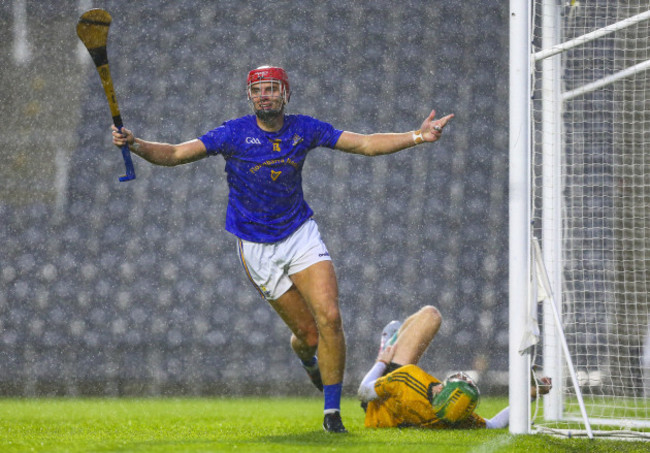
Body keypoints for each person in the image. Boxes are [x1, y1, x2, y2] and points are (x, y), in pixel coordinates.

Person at [112, 65, 454, 433]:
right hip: (257, 248)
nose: (265, 95)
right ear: (250, 97)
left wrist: (418, 135)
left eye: (272, 88)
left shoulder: (304, 128)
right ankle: (310, 361)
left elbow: (366, 144)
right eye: (257, 90)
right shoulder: (233, 133)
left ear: (286, 94)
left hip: (299, 235)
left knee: (330, 318)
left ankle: (332, 414)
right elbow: (178, 153)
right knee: (308, 337)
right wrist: (136, 144)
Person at [358, 305, 552, 429]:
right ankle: (394, 344)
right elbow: (494, 424)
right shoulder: (456, 416)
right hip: (401, 413)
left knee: (430, 315)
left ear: (442, 389)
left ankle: (387, 348)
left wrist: (381, 362)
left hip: (380, 401)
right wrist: (532, 394)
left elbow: (363, 392)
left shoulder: (408, 379)